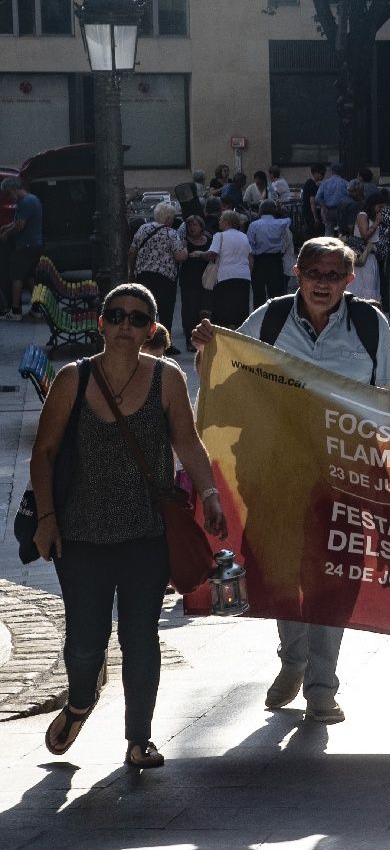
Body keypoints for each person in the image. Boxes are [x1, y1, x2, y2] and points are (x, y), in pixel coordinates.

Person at [193, 237, 390, 726]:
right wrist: (208, 348)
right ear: (297, 273)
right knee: (282, 572)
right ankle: (293, 660)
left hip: (346, 475)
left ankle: (322, 687)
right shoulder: (268, 319)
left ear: (350, 280)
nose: (323, 283)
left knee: (335, 579)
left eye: (334, 275)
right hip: (275, 471)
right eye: (314, 273)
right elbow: (225, 372)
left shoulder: (370, 325)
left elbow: (388, 392)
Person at [32, 283, 228, 769]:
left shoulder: (167, 378)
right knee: (84, 640)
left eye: (137, 319)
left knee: (141, 635)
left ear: (151, 329)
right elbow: (45, 451)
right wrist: (47, 519)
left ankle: (139, 739)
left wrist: (209, 493)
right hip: (80, 536)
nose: (125, 325)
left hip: (146, 534)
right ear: (101, 323)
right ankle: (80, 703)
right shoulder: (73, 380)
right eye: (116, 316)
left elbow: (187, 440)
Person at [128, 202, 186, 353]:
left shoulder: (142, 229)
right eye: (172, 217)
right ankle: (165, 345)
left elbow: (132, 251)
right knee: (166, 311)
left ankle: (142, 342)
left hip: (143, 276)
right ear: (167, 218)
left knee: (145, 310)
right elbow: (179, 256)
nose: (173, 220)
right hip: (165, 278)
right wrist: (185, 249)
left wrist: (132, 271)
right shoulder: (170, 233)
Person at [0, 177, 44, 320]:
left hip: (25, 246)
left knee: (16, 277)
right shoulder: (32, 199)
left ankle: (15, 311)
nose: (9, 197)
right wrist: (5, 228)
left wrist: (5, 234)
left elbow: (20, 225)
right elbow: (16, 222)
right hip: (35, 245)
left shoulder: (25, 202)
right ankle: (36, 309)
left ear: (13, 189)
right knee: (30, 277)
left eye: (8, 193)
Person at [208, 211, 255, 328]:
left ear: (227, 222)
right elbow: (250, 257)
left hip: (225, 276)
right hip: (243, 276)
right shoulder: (243, 236)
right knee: (240, 309)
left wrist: (199, 254)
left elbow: (212, 254)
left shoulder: (219, 236)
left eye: (221, 219)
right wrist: (248, 272)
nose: (219, 221)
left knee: (223, 310)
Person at [177, 215, 215, 351]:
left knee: (206, 310)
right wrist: (185, 246)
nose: (192, 228)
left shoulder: (209, 240)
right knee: (189, 311)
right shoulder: (184, 241)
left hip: (206, 280)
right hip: (189, 280)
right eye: (189, 225)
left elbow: (213, 255)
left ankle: (204, 339)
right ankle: (190, 339)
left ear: (201, 226)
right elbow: (180, 257)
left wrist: (201, 254)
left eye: (195, 225)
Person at [247, 202, 292, 307]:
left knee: (258, 293)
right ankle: (276, 317)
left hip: (259, 260)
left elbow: (249, 245)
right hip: (275, 260)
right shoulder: (282, 223)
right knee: (277, 293)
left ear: (260, 211)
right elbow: (288, 218)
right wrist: (280, 209)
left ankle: (259, 317)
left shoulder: (254, 225)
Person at [316, 164, 351, 235]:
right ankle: (340, 244)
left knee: (328, 232)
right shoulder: (345, 183)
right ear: (341, 172)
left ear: (331, 171)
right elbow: (350, 197)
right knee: (341, 232)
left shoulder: (325, 183)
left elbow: (317, 198)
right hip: (342, 211)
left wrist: (324, 207)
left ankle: (328, 245)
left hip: (328, 210)